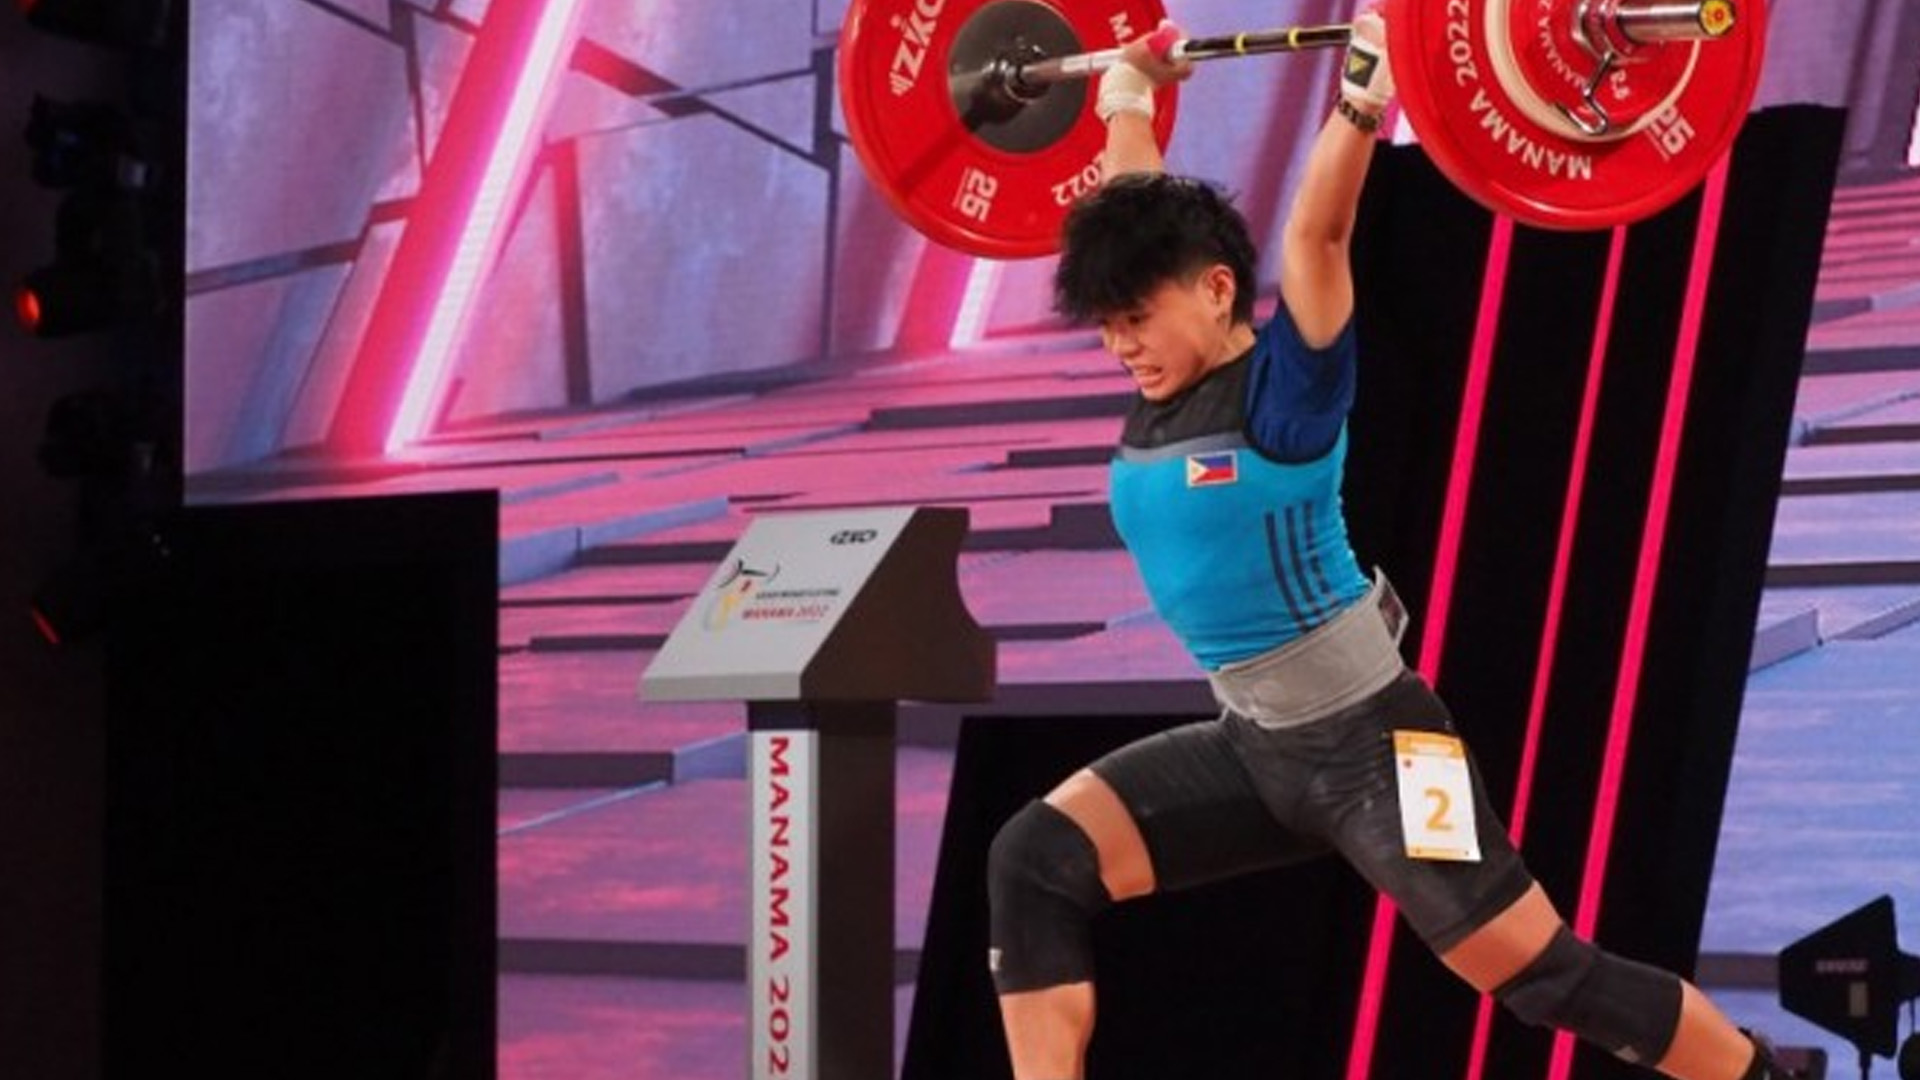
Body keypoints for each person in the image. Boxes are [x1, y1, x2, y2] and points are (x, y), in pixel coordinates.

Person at [983, 9, 1787, 1080]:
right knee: (1035, 858)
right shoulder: (1164, 372)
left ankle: (1759, 1075)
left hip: (1380, 750)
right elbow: (1134, 215)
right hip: (1253, 749)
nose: (1119, 343)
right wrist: (1128, 94)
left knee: (1546, 977)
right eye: (1107, 323)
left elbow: (1317, 240)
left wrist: (1366, 96)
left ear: (1217, 291)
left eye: (1134, 318)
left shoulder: (1287, 395)